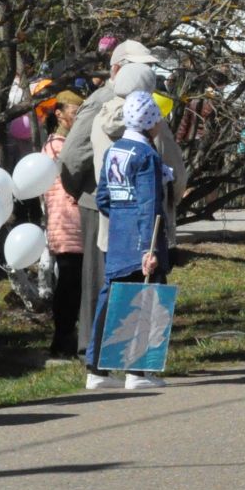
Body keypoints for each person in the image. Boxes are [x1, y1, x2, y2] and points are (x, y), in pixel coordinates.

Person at [58, 38, 160, 360]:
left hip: (108, 198)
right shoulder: (102, 101)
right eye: (138, 67)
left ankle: (111, 353)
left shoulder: (151, 101)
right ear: (117, 68)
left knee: (113, 277)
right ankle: (98, 349)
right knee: (100, 280)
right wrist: (81, 193)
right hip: (104, 201)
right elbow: (73, 155)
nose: (146, 72)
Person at [83, 91, 176, 391]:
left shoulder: (115, 150)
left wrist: (120, 215)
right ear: (150, 122)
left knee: (111, 297)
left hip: (118, 233)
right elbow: (149, 203)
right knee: (145, 296)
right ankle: (137, 371)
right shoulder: (147, 155)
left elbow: (103, 197)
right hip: (143, 234)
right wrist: (149, 247)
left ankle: (96, 368)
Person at [39, 91, 86, 363]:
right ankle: (62, 339)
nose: (77, 117)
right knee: (69, 284)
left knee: (73, 284)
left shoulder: (65, 144)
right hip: (67, 223)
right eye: (74, 111)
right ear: (59, 114)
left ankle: (67, 337)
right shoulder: (58, 146)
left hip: (71, 224)